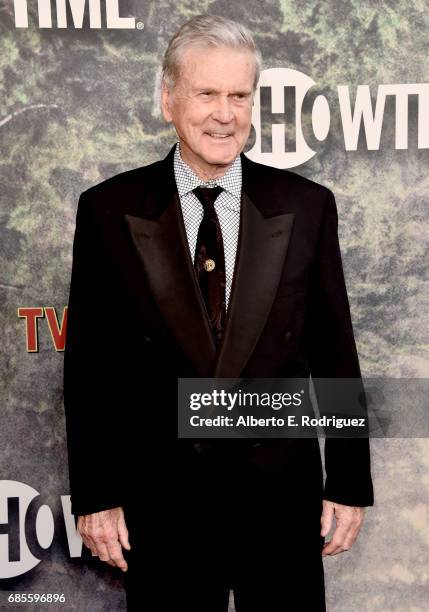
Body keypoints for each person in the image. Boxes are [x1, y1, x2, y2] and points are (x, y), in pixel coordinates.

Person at [63, 14, 374, 612]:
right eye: (207, 94)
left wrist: (349, 482)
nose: (224, 114)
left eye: (239, 96)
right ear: (168, 99)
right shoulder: (107, 209)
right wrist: (96, 495)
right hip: (162, 507)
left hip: (281, 502)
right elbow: (91, 368)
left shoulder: (306, 207)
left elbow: (335, 353)